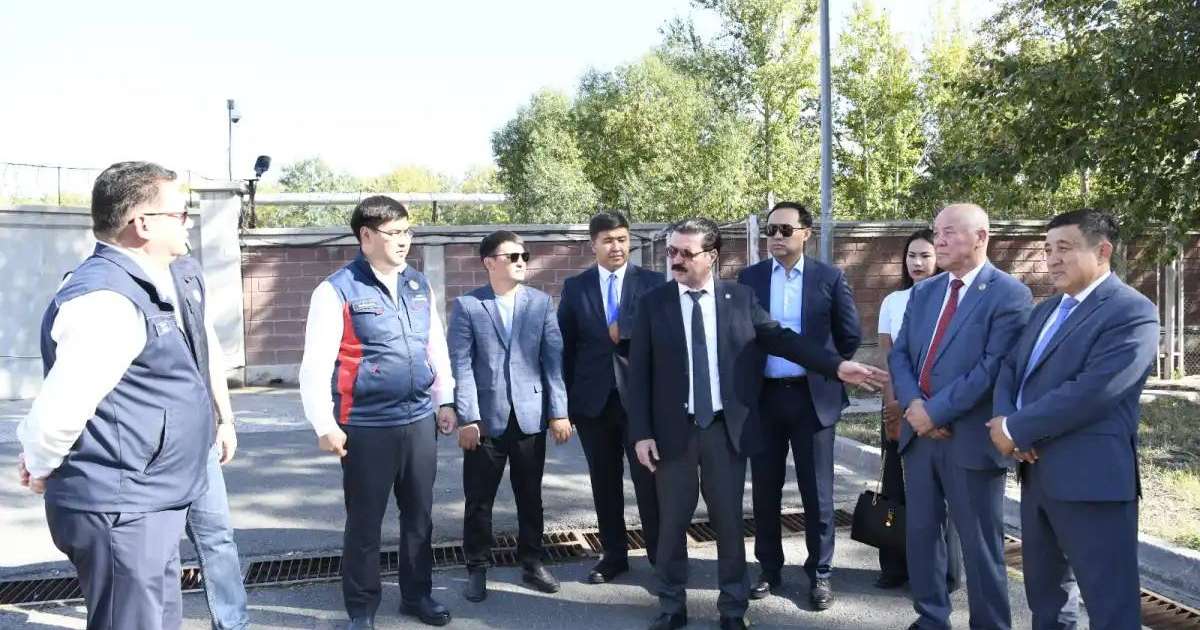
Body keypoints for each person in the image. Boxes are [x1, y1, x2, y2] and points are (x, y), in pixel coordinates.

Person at [627, 218, 888, 630]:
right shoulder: (653, 303)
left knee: (729, 525)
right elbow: (637, 375)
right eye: (671, 251)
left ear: (711, 257)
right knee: (671, 524)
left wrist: (837, 366)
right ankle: (671, 606)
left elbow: (783, 339)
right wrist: (641, 433)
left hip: (724, 432)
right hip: (672, 433)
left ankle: (733, 609)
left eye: (685, 253)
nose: (675, 260)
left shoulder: (739, 298)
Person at [16, 161, 220, 630]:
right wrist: (42, 462)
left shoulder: (147, 282)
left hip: (148, 500)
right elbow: (62, 404)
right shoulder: (107, 300)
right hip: (121, 507)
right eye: (181, 213)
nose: (188, 222)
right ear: (143, 223)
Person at [990, 209, 1157, 630]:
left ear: (1102, 251)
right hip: (1037, 475)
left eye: (1064, 248)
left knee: (1110, 606)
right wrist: (1009, 419)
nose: (1052, 259)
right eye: (1047, 250)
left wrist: (1015, 429)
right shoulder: (1045, 311)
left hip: (1092, 483)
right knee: (1047, 601)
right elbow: (1011, 369)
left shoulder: (1131, 311)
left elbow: (1093, 390)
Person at [297, 195, 457, 629]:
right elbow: (314, 364)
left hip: (419, 418)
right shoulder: (336, 290)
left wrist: (444, 399)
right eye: (393, 233)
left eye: (407, 231)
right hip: (365, 425)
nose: (404, 241)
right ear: (365, 236)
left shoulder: (418, 284)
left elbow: (434, 345)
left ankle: (417, 596)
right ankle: (362, 608)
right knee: (365, 522)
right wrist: (324, 424)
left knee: (419, 515)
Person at [888, 203, 1032, 630]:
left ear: (981, 237)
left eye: (949, 232)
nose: (939, 241)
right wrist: (916, 409)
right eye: (937, 232)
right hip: (920, 438)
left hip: (968, 439)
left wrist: (934, 411)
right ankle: (931, 617)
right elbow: (901, 354)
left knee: (979, 545)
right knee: (922, 536)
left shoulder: (1009, 294)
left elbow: (992, 369)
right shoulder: (925, 291)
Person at [736, 202, 861, 610]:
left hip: (813, 400)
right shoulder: (749, 278)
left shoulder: (829, 277)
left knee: (817, 492)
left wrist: (824, 371)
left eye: (785, 230)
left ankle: (820, 573)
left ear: (806, 233)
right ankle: (768, 569)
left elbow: (849, 336)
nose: (776, 237)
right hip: (765, 398)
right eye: (771, 230)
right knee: (766, 489)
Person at [447, 230, 572, 603]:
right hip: (485, 420)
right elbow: (461, 365)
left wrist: (559, 411)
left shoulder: (540, 303)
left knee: (530, 496)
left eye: (524, 255)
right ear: (489, 262)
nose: (521, 261)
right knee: (479, 499)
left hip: (530, 416)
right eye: (512, 256)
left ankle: (532, 562)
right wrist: (468, 416)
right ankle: (477, 567)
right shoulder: (469, 306)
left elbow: (553, 360)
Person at [558, 211, 665, 583]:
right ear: (593, 245)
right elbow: (565, 347)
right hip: (593, 403)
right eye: (607, 240)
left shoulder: (653, 283)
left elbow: (667, 335)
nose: (616, 246)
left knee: (649, 482)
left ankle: (659, 555)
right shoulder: (576, 288)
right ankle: (614, 555)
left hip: (641, 404)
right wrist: (564, 406)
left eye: (621, 238)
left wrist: (629, 326)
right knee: (604, 483)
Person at [874, 229, 963, 594]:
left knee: (944, 497)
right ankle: (895, 567)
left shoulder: (956, 300)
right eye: (911, 255)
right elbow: (889, 358)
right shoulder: (893, 302)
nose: (917, 263)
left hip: (941, 414)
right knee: (897, 490)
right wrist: (893, 407)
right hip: (899, 411)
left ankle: (945, 573)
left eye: (925, 255)